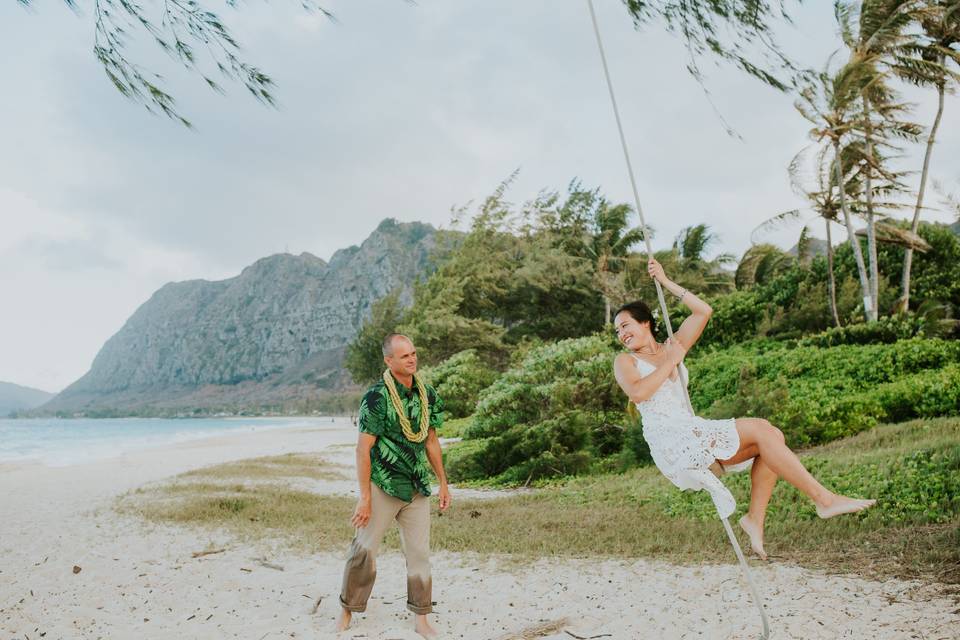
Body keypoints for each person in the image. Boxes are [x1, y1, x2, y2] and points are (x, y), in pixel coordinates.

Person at [612, 258, 875, 560]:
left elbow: (704, 311)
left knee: (771, 436)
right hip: (671, 439)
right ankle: (824, 500)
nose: (621, 334)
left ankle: (755, 520)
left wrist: (666, 280)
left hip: (691, 427)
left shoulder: (673, 344)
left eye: (625, 325)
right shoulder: (626, 361)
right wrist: (672, 360)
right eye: (618, 331)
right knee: (763, 430)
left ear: (645, 322)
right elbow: (639, 392)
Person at [335, 333, 451, 638]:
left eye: (413, 353)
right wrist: (364, 498)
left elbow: (431, 441)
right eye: (404, 356)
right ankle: (347, 610)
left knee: (419, 554)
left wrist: (443, 482)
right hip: (383, 485)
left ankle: (421, 618)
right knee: (364, 550)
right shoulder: (376, 398)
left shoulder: (428, 395)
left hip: (416, 487)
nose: (412, 359)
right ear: (389, 361)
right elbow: (363, 450)